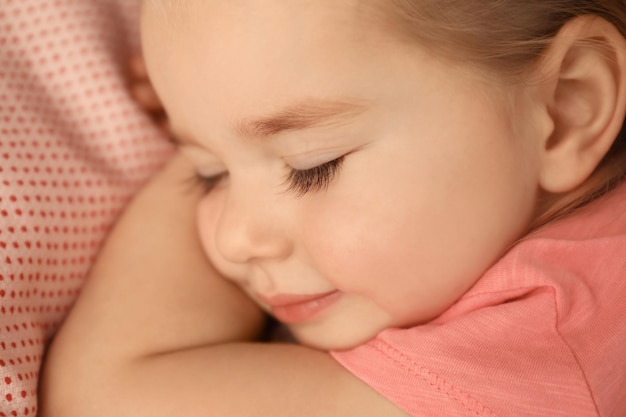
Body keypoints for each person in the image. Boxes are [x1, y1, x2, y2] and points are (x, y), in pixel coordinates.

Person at [39, 0, 626, 416]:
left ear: (569, 106)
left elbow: (103, 398)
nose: (232, 239)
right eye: (208, 173)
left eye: (310, 165)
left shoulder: (539, 356)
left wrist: (212, 139)